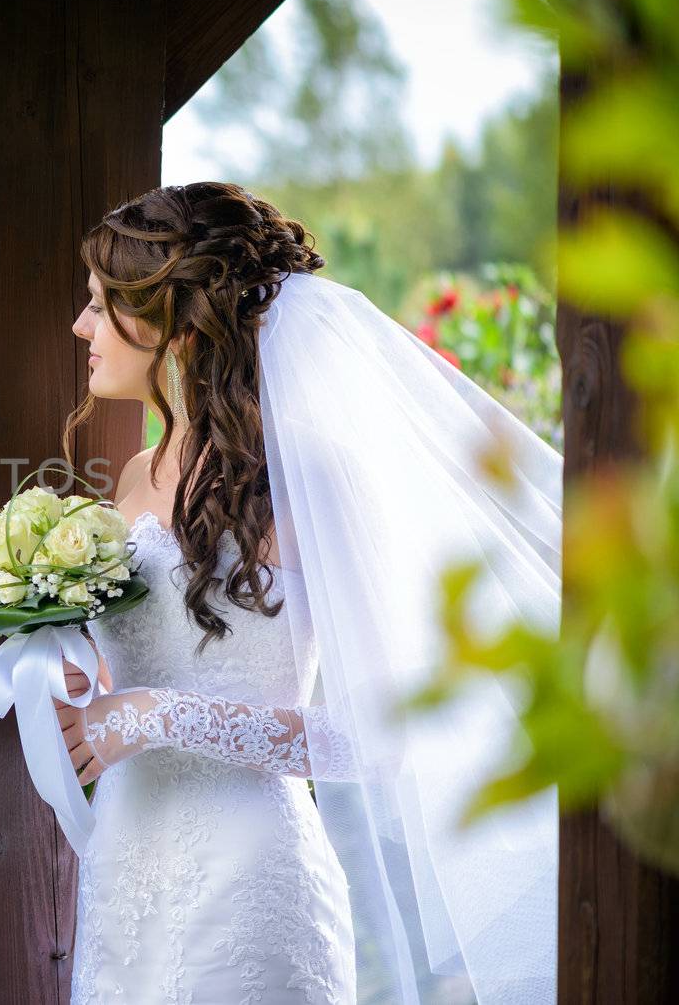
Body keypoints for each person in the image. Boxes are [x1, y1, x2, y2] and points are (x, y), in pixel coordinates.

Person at [57, 182, 560, 1003]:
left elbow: (373, 738)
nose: (81, 327)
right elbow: (158, 665)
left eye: (102, 304)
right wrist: (92, 687)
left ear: (179, 324)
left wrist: (156, 716)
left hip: (247, 881)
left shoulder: (303, 478)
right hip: (123, 864)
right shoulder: (135, 477)